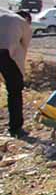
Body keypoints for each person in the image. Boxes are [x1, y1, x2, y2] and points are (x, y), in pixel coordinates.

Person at [0, 10, 32, 138]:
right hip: (5, 55)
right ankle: (15, 128)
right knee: (14, 91)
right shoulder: (23, 22)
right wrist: (20, 75)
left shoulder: (3, 15)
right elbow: (23, 49)